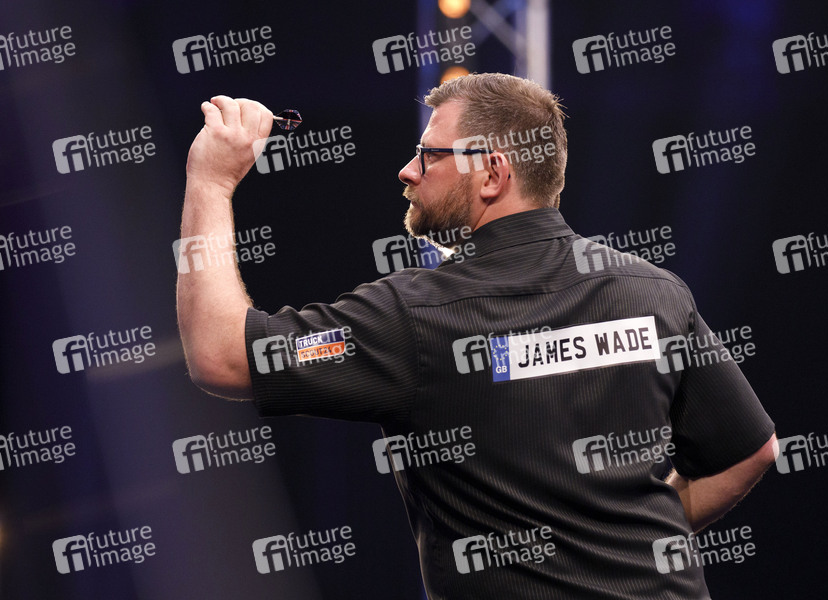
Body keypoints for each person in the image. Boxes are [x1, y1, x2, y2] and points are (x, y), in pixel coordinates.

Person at [177, 73, 777, 599]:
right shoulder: (654, 294)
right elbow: (752, 450)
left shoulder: (418, 316)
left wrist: (211, 181)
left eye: (428, 155)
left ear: (491, 172)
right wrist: (627, 546)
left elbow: (221, 356)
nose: (408, 171)